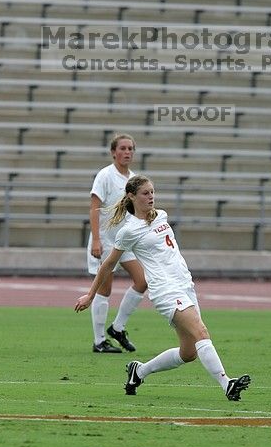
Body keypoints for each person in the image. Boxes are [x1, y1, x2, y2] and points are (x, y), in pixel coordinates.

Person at [75, 175, 251, 401]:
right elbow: (108, 264)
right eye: (145, 193)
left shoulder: (161, 215)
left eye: (152, 192)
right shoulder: (129, 230)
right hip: (165, 291)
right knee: (201, 332)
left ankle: (139, 371)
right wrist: (90, 295)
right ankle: (227, 383)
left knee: (188, 353)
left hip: (185, 284)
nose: (151, 197)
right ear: (132, 196)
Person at [86, 133, 147, 353]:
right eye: (122, 148)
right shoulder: (105, 176)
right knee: (105, 288)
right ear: (113, 152)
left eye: (130, 148)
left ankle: (118, 328)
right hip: (105, 241)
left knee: (142, 281)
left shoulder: (134, 180)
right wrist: (96, 239)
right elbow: (94, 207)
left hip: (125, 241)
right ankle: (99, 340)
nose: (127, 152)